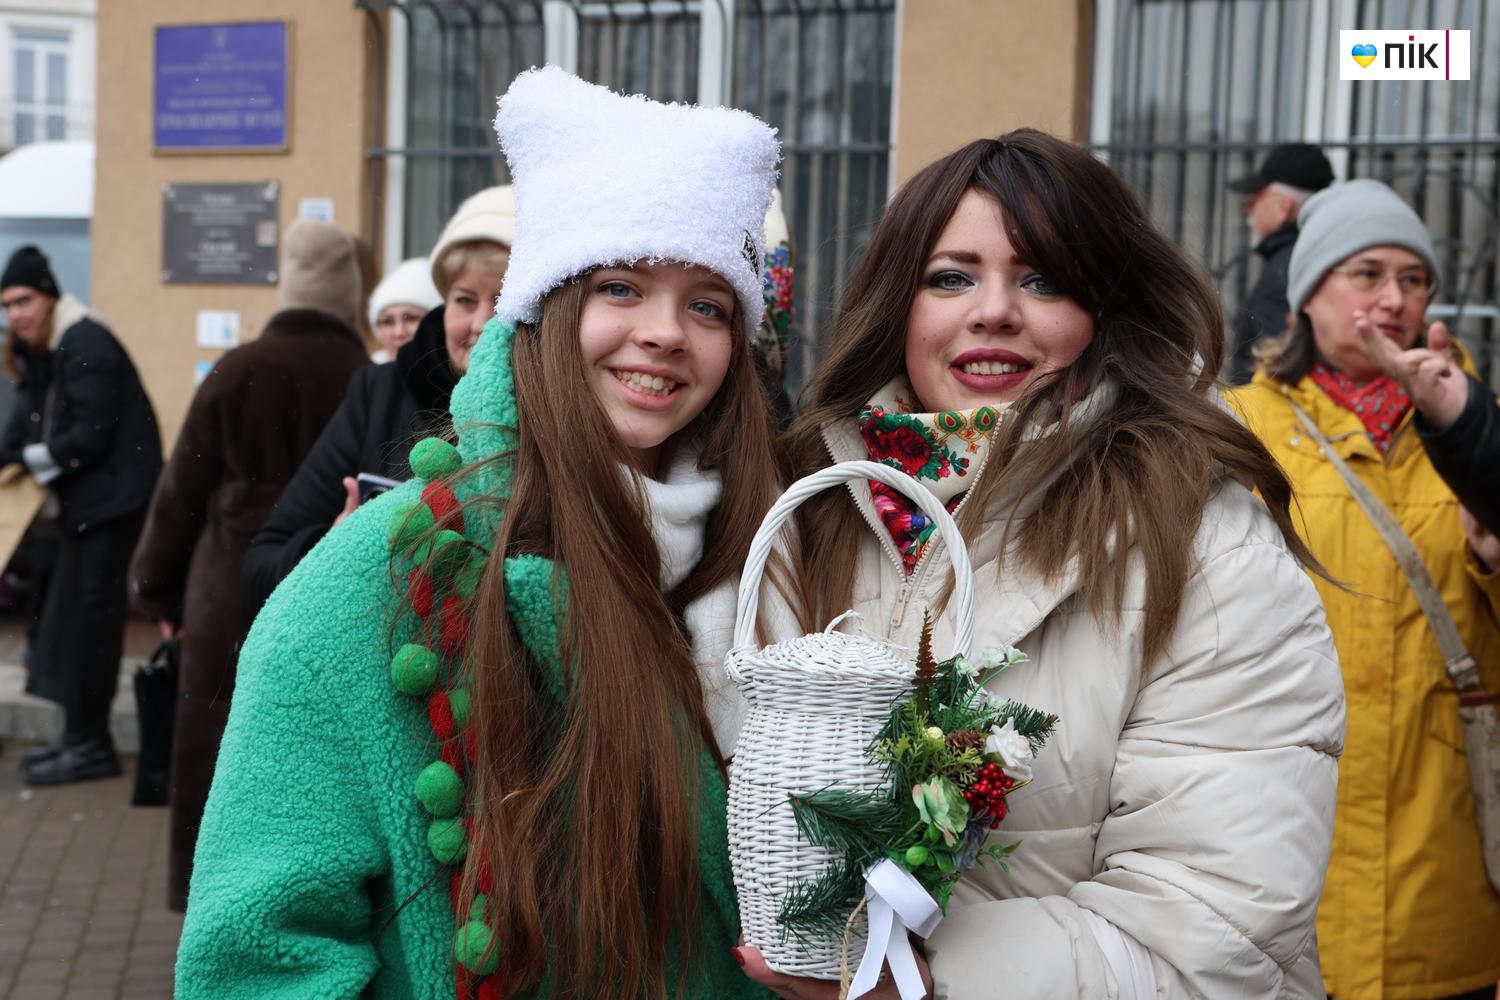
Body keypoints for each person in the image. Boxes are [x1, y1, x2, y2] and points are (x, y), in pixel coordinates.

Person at [176, 67, 788, 998]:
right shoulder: (386, 572)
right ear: (541, 308)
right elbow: (256, 955)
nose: (666, 333)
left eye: (708, 304)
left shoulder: (773, 563)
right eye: (621, 286)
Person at [742, 131, 1346, 999]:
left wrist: (921, 985)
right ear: (896, 306)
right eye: (951, 277)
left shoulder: (1206, 542)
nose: (993, 311)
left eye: (1042, 279)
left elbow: (1213, 926)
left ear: (1107, 312)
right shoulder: (810, 506)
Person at [1232, 179, 1500, 1000]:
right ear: (1309, 294)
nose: (1393, 299)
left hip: (1444, 869)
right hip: (1281, 863)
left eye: (1413, 280)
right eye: (1367, 274)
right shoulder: (1234, 428)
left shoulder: (1478, 431)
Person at [127, 218, 373, 912]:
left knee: (217, 744)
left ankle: (210, 900)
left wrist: (157, 589)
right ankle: (307, 904)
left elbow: (182, 491)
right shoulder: (365, 378)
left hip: (227, 588)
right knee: (312, 757)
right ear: (351, 294)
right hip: (332, 583)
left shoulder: (238, 369)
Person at [238, 186, 514, 611]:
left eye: (503, 300)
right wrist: (335, 547)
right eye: (464, 299)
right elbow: (261, 563)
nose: (480, 323)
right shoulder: (380, 393)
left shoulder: (570, 411)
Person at [0, 244, 162, 785]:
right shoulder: (48, 349)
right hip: (87, 509)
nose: (16, 314)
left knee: (92, 627)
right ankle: (77, 738)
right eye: (7, 306)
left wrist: (24, 458)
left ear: (48, 296)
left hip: (111, 509)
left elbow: (87, 438)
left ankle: (91, 746)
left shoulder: (85, 340)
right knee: (70, 624)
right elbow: (29, 423)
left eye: (24, 300)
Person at [1357, 319, 1500, 539]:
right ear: (1308, 300)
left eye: (1412, 282)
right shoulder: (1284, 415)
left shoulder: (1476, 413)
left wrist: (1466, 421)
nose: (1394, 301)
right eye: (1366, 281)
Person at [1225, 143, 1335, 385]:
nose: (1248, 212)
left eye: (1252, 201)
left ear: (1283, 206)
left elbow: (1278, 365)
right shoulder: (1320, 256)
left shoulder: (1289, 267)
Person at [368, 257, 443, 363]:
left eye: (411, 318)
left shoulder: (461, 376)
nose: (399, 332)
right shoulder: (364, 377)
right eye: (387, 322)